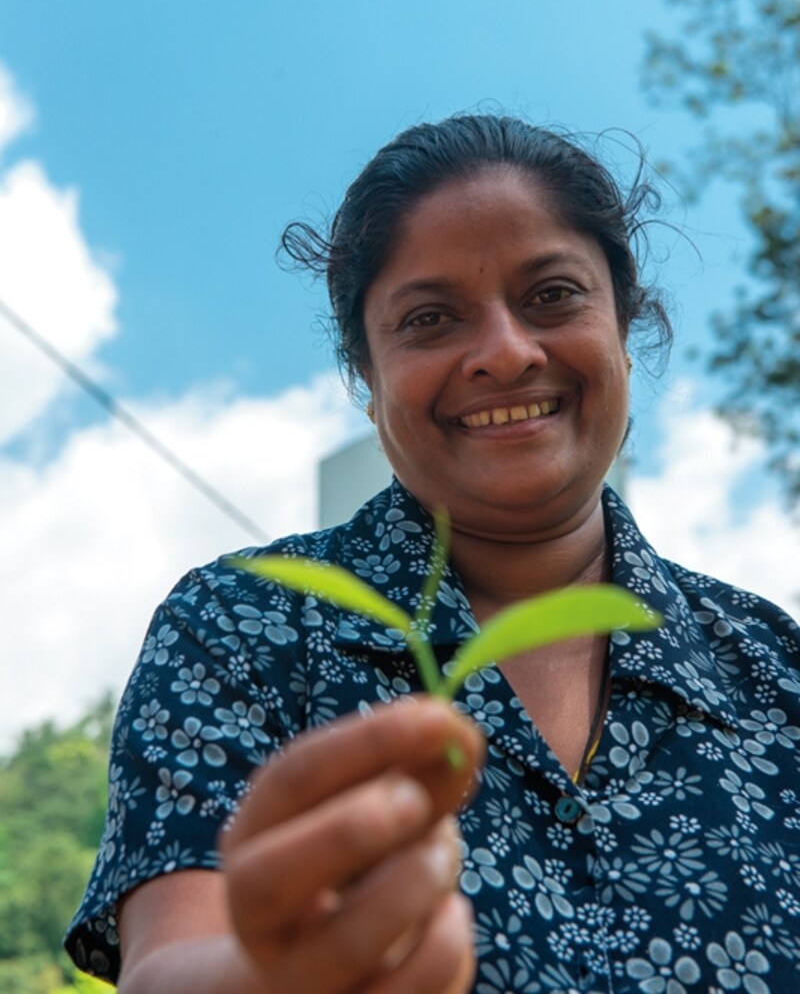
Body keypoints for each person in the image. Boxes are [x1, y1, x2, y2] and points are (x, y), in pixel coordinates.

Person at [66, 114, 800, 993]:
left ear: (624, 328)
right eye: (430, 319)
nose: (505, 353)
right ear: (367, 379)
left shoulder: (775, 671)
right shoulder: (238, 630)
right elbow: (173, 963)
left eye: (552, 295)